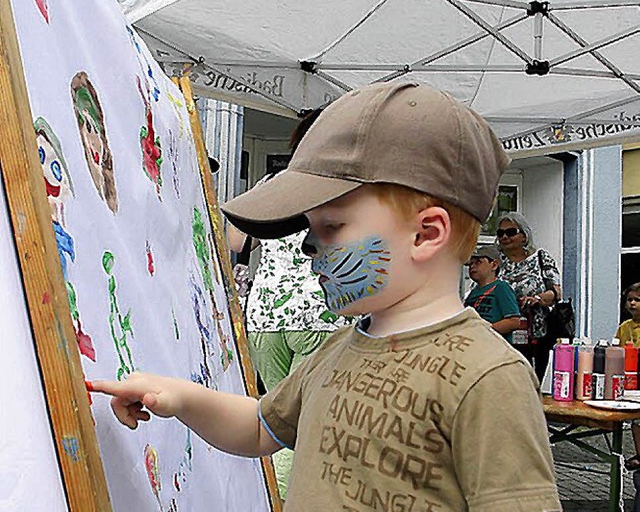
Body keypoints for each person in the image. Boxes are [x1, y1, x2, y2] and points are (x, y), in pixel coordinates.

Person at [91, 81, 561, 511]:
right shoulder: (340, 347)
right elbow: (260, 426)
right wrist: (178, 396)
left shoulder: (488, 376)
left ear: (426, 233)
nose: (308, 247)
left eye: (330, 227)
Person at [227, 109, 349, 499]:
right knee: (304, 419)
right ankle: (277, 499)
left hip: (265, 315)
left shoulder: (271, 182)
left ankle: (268, 494)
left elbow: (236, 241)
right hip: (321, 311)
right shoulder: (341, 183)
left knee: (274, 415)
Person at [496, 212, 562, 383]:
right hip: (503, 333)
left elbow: (555, 293)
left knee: (531, 382)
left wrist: (537, 299)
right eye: (500, 233)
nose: (504, 237)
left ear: (524, 236)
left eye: (510, 232)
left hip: (536, 334)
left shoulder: (540, 257)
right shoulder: (495, 262)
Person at [464, 245, 520, 343]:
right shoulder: (472, 293)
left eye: (478, 262)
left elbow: (513, 321)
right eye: (470, 264)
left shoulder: (501, 288)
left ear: (494, 265)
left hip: (496, 347)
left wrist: (487, 331)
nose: (472, 266)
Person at [616, 284, 640, 472]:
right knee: (636, 419)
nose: (632, 303)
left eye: (637, 300)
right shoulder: (625, 327)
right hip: (631, 377)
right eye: (629, 300)